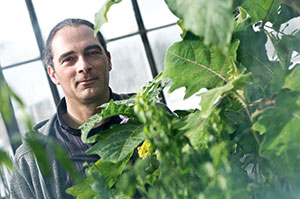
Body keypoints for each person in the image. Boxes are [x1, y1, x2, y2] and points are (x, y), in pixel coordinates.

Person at [9, 18, 135, 199]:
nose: (83, 66)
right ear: (53, 74)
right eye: (69, 59)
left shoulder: (153, 117)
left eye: (92, 53)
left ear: (108, 60)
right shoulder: (32, 160)